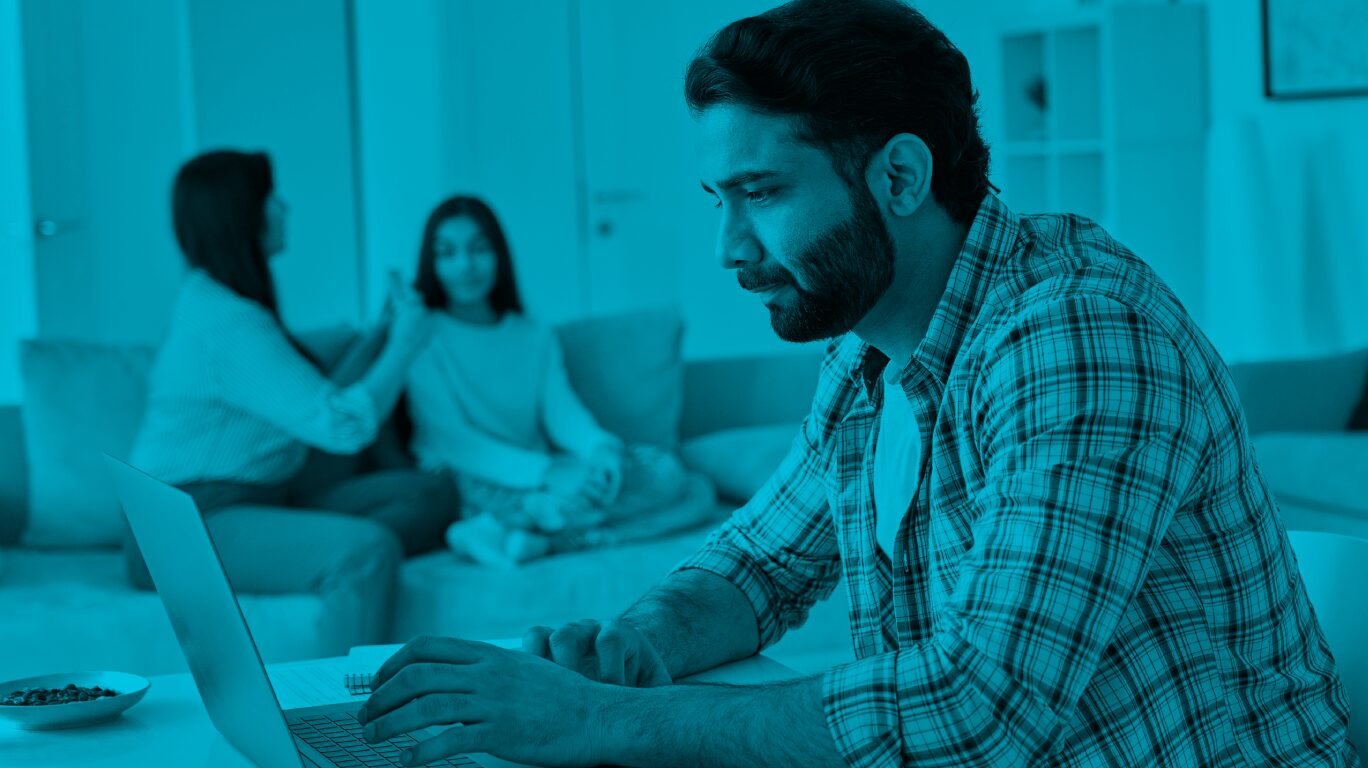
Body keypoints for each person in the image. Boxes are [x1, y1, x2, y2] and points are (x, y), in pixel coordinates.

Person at [355, 2, 1359, 766]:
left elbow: (982, 709)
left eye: (762, 193)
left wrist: (604, 722)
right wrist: (637, 645)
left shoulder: (1078, 335)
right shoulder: (871, 352)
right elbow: (759, 564)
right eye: (719, 197)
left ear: (901, 178)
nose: (727, 247)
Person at [127, 150, 457, 646]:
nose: (284, 208)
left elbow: (313, 400)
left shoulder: (226, 301)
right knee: (368, 552)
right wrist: (407, 343)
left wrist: (382, 335)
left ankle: (312, 556)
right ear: (240, 215)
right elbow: (342, 426)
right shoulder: (226, 321)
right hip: (182, 525)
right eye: (270, 199)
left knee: (431, 493)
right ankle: (344, 710)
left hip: (268, 492)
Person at [403, 195, 712, 567]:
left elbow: (561, 412)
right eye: (447, 253)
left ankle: (531, 538)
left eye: (479, 249)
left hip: (542, 472)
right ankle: (515, 525)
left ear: (499, 254)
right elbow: (453, 440)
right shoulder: (421, 336)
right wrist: (549, 473)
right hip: (464, 476)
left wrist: (600, 450)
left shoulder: (533, 336)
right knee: (680, 496)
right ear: (431, 262)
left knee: (685, 483)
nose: (465, 265)